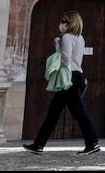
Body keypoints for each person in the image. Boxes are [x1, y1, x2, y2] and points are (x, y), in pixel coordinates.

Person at [23, 11, 100, 155]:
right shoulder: (80, 38)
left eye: (64, 21)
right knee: (56, 112)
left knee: (77, 112)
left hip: (68, 76)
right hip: (77, 75)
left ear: (70, 23)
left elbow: (65, 59)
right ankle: (38, 145)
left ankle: (92, 143)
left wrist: (57, 46)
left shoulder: (66, 37)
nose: (62, 24)